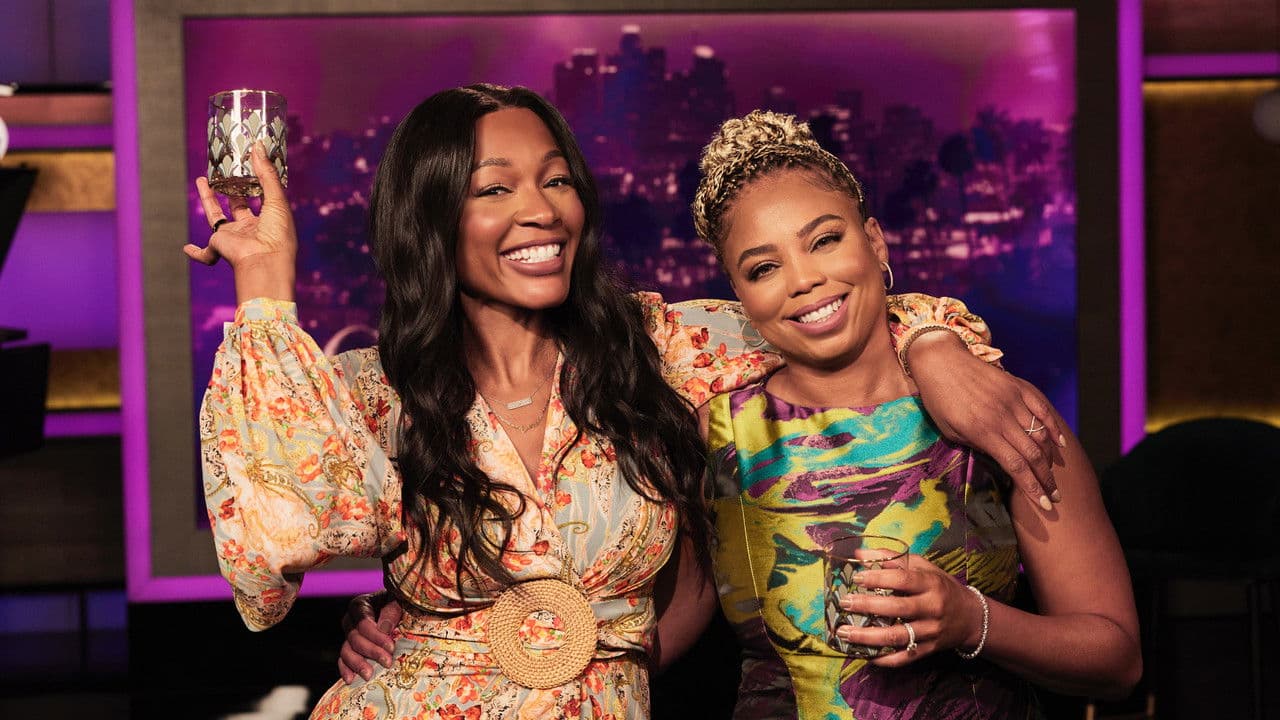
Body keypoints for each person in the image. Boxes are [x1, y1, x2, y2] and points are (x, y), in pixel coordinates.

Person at [190, 85, 1068, 719]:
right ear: (431, 217)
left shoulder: (659, 349)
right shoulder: (373, 387)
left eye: (556, 179)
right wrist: (265, 278)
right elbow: (279, 541)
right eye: (494, 188)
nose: (541, 209)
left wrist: (934, 344)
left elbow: (817, 307)